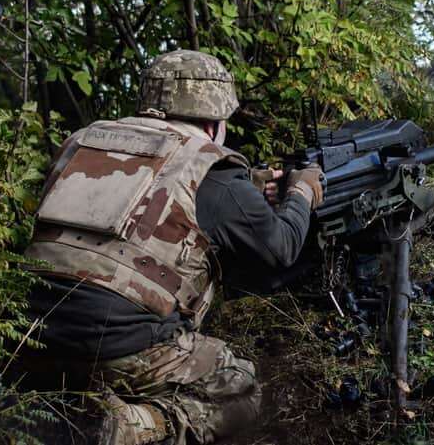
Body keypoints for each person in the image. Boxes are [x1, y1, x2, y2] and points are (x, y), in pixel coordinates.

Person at [18, 49, 325, 445]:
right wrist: (301, 191)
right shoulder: (208, 162)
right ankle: (133, 425)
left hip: (29, 332)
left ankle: (50, 404)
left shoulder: (83, 140)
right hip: (118, 345)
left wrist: (245, 188)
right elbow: (280, 249)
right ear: (214, 122)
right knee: (242, 387)